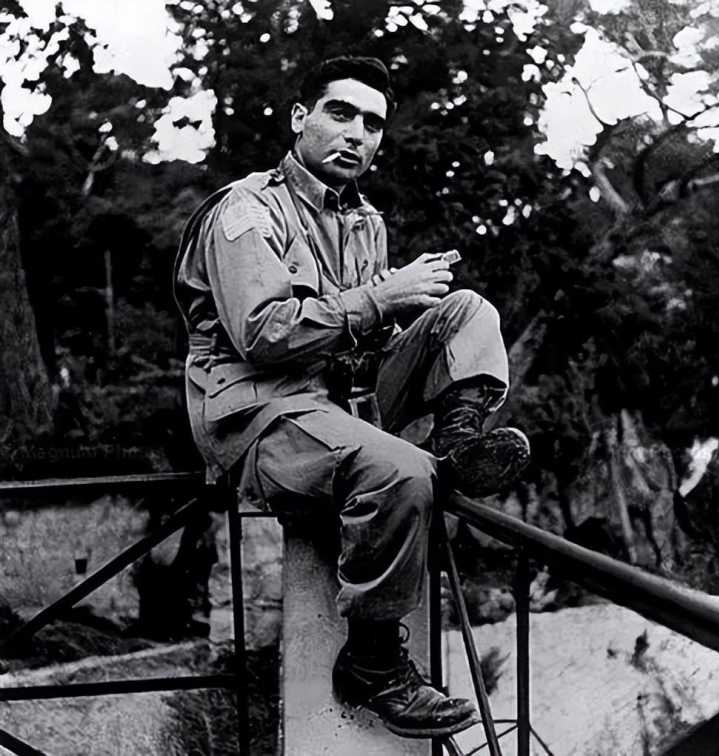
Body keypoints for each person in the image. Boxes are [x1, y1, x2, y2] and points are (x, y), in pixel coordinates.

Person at [174, 55, 530, 740]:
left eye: (373, 123)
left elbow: (365, 332)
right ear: (299, 117)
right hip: (260, 412)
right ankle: (372, 662)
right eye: (340, 113)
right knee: (402, 470)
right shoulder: (245, 210)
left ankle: (457, 443)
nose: (357, 134)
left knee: (468, 309)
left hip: (339, 400)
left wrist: (400, 309)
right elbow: (260, 335)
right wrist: (379, 297)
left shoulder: (365, 220)